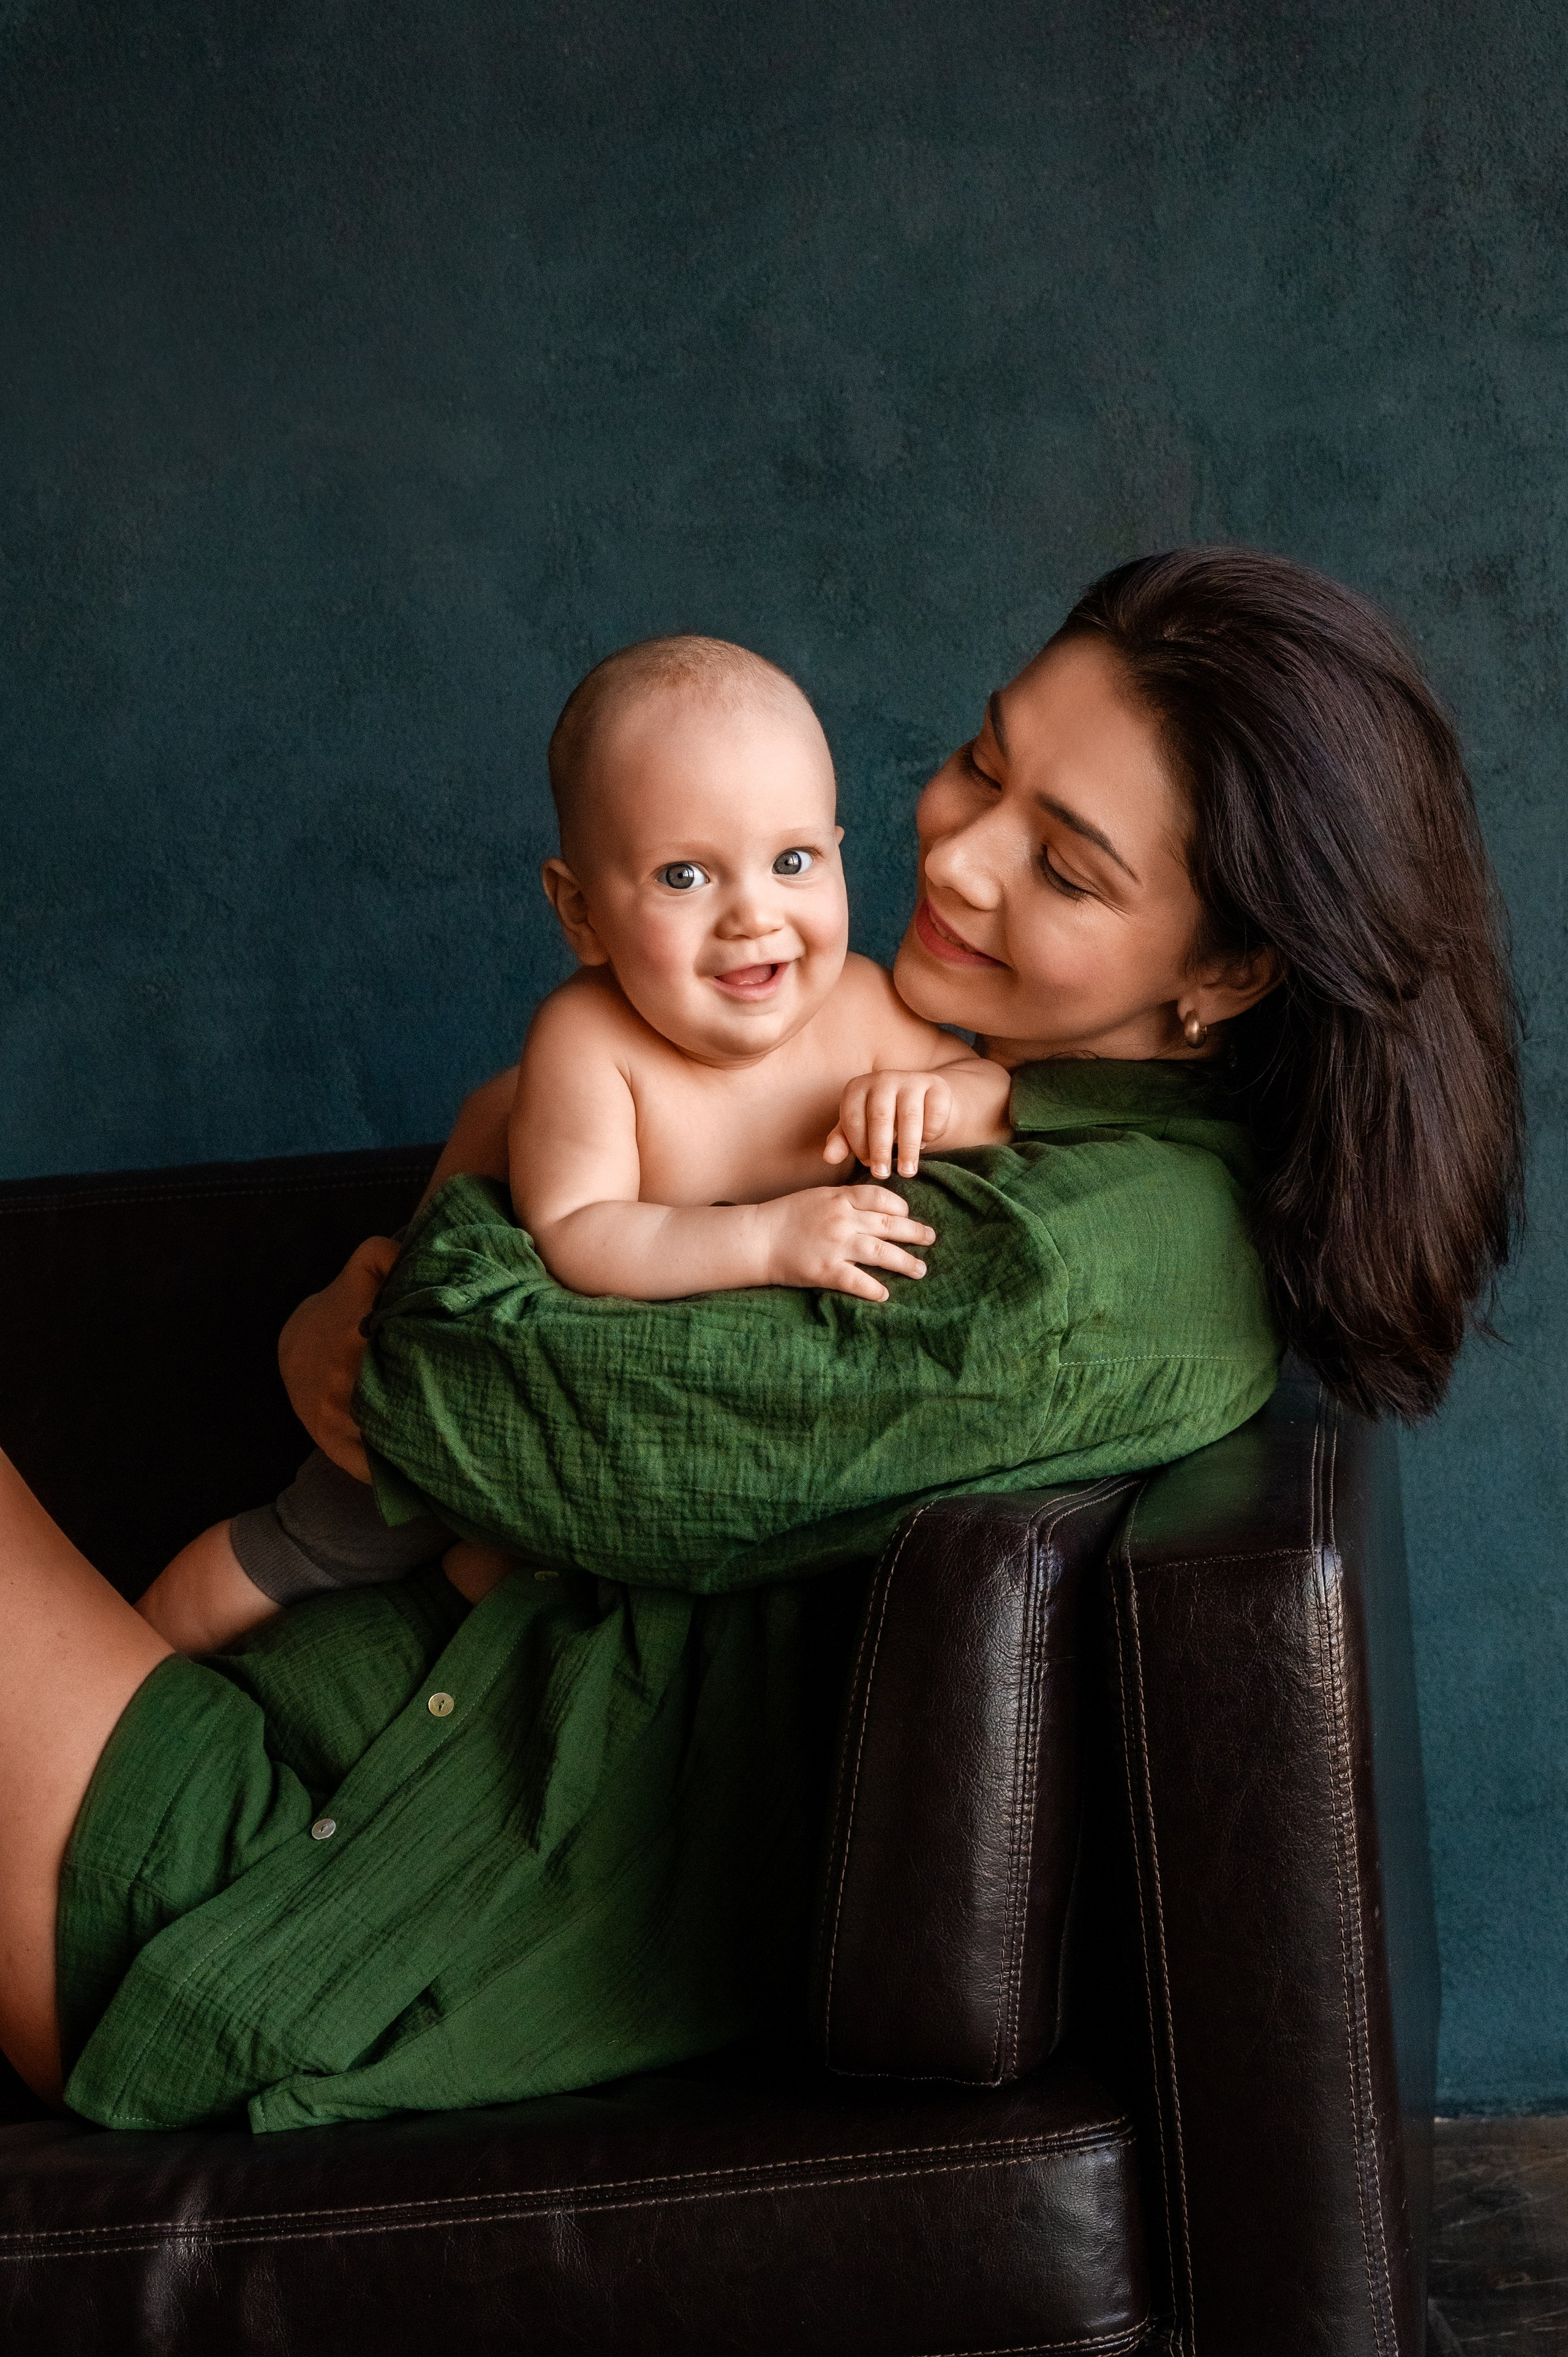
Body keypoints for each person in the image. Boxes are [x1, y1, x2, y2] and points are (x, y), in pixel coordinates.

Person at [0, 548, 1522, 2132]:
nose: (959, 854)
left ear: (1226, 974)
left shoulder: (1064, 1266)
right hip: (331, 1754)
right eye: (982, 763)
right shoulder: (969, 1093)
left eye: (1067, 868)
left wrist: (418, 1252)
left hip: (311, 1908)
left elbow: (475, 1398)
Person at [135, 632, 1009, 1654]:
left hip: (644, 1443)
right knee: (316, 1543)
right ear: (582, 911)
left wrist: (937, 1098)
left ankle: (474, 1587)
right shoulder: (588, 1043)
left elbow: (997, 1094)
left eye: (793, 860)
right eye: (685, 875)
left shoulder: (860, 1003)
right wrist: (770, 1242)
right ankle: (139, 1654)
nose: (754, 916)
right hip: (487, 1375)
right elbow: (580, 1235)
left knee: (509, 1580)